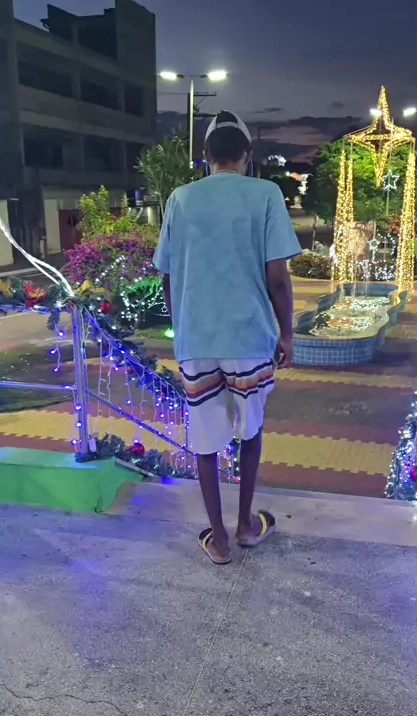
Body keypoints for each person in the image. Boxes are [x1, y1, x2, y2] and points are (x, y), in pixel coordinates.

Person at [153, 110, 301, 565]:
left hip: (197, 340)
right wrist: (287, 333)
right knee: (249, 432)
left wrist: (182, 327)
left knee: (205, 439)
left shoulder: (180, 198)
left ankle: (217, 540)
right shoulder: (266, 194)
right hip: (249, 338)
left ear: (205, 155)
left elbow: (167, 275)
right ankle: (245, 527)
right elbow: (277, 277)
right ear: (247, 154)